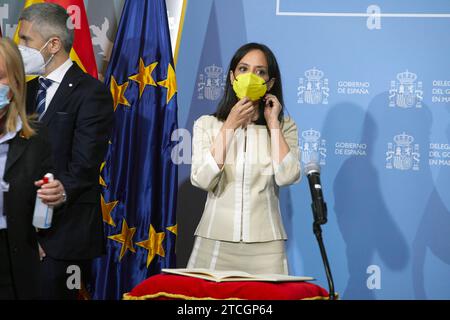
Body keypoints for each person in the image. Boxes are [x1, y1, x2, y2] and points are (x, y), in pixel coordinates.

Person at [18, 3, 114, 299]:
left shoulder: (91, 93)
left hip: (65, 236)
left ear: (53, 44)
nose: (18, 46)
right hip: (19, 236)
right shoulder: (25, 90)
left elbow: (85, 164)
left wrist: (59, 195)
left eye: (25, 40)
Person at [187, 43, 301, 274]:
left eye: (260, 72)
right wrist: (229, 126)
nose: (251, 77)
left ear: (270, 82)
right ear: (232, 77)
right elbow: (202, 179)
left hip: (267, 246)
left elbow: (287, 176)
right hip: (214, 240)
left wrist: (272, 123)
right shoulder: (207, 124)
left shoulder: (284, 126)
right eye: (243, 69)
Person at [0, 38, 65, 299]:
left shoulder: (36, 139)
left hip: (13, 262)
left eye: (1, 77)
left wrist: (56, 196)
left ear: (16, 84)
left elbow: (46, 208)